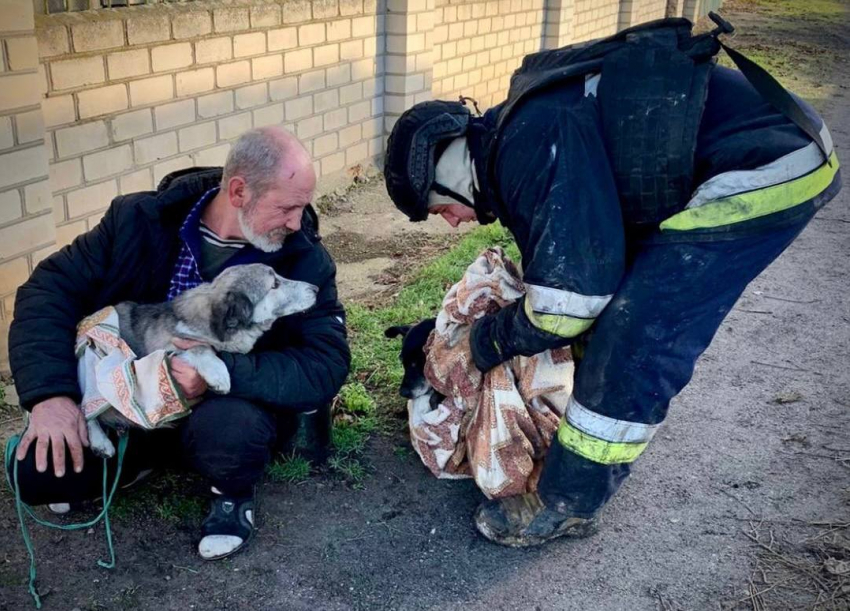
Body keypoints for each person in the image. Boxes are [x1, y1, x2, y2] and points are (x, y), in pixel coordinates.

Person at [383, 18, 842, 547]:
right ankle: (573, 445)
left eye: (440, 208)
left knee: (637, 336)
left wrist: (485, 342)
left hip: (764, 164)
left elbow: (568, 305)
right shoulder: (517, 136)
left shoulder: (525, 147)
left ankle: (565, 504)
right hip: (755, 144)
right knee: (609, 317)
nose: (454, 222)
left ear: (444, 170)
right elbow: (578, 271)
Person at [6, 127, 350, 560]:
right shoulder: (136, 220)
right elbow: (47, 290)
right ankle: (138, 460)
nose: (297, 222)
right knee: (38, 475)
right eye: (286, 207)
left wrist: (221, 371)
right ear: (239, 191)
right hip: (128, 397)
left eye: (302, 207)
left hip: (226, 405)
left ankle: (231, 493)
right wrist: (50, 396)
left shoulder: (303, 257)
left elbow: (326, 362)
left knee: (231, 434)